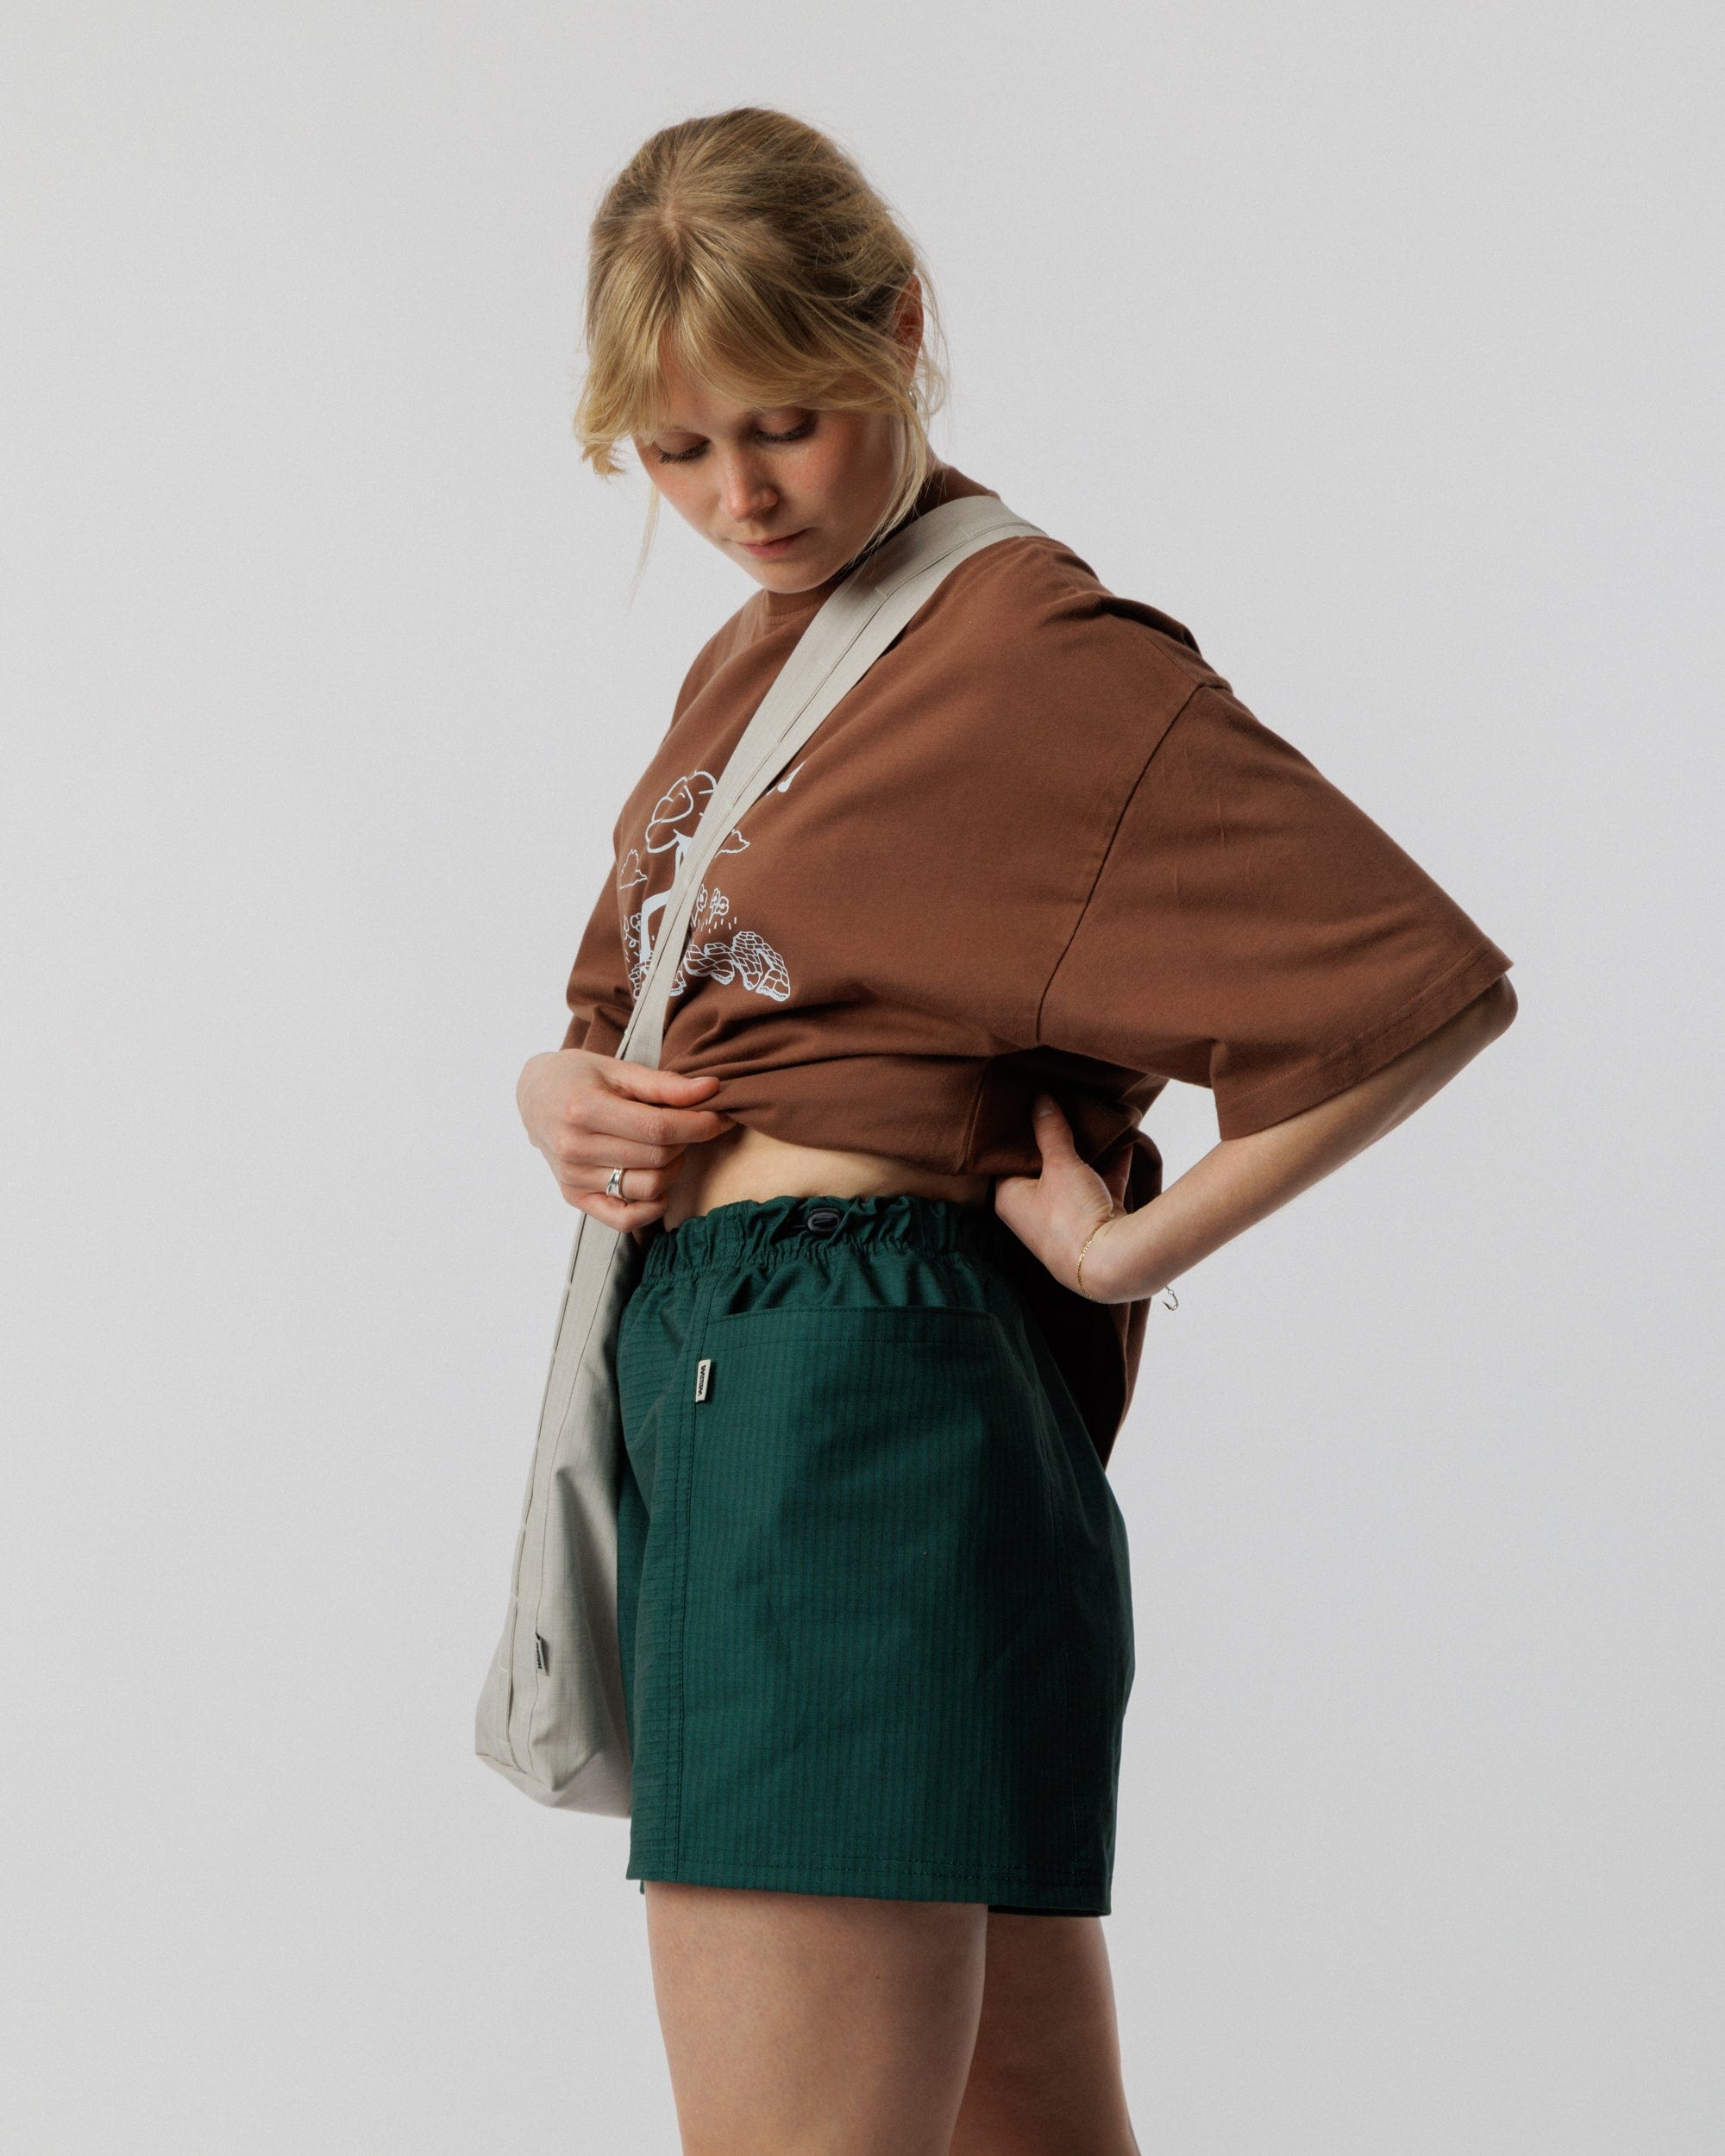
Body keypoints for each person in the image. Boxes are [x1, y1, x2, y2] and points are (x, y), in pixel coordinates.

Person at [513, 106, 1517, 2156]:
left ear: (898, 330)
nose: (737, 494)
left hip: (835, 1412)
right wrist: (560, 1084)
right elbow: (675, 999)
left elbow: (1416, 981)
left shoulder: (1024, 645)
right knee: (1027, 2123)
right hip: (801, 1393)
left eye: (783, 422)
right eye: (678, 449)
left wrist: (1144, 1238)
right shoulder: (765, 656)